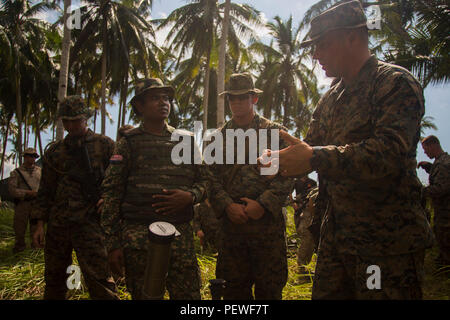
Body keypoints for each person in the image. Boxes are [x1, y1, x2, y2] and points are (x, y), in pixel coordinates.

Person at [260, 0, 433, 299]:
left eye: (323, 45)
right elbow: (309, 148)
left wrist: (313, 156)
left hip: (385, 245)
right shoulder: (330, 99)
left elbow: (389, 153)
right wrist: (279, 159)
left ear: (352, 37)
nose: (315, 55)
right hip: (336, 240)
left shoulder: (394, 83)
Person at [100, 78, 207, 300]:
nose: (163, 102)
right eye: (155, 98)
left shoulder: (185, 141)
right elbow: (112, 192)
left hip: (181, 236)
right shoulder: (129, 142)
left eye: (166, 98)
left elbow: (206, 182)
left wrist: (190, 196)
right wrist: (112, 243)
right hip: (139, 238)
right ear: (139, 106)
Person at [207, 72, 293, 300]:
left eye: (242, 97)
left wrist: (263, 204)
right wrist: (227, 206)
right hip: (232, 231)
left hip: (267, 230)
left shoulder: (275, 132)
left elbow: (288, 173)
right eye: (232, 98)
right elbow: (209, 178)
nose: (236, 103)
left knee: (270, 291)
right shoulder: (217, 138)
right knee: (234, 294)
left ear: (254, 99)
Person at [31, 96, 118, 300]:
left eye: (76, 119)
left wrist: (107, 199)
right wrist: (38, 224)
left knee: (100, 279)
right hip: (58, 224)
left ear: (86, 118)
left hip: (90, 222)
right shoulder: (55, 151)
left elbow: (118, 180)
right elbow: (45, 190)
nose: (71, 125)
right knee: (54, 278)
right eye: (66, 120)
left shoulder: (104, 145)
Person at [418, 135, 450, 266]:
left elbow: (442, 188)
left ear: (433, 145)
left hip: (446, 215)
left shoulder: (444, 164)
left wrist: (420, 190)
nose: (425, 152)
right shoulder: (440, 162)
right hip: (443, 212)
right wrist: (430, 168)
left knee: (446, 241)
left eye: (426, 149)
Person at [8, 147, 41, 253]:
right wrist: (27, 193)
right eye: (30, 156)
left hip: (36, 204)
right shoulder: (16, 173)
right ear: (25, 157)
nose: (32, 158)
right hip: (22, 204)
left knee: (36, 228)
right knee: (19, 229)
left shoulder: (40, 172)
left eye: (34, 156)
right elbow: (12, 190)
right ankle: (19, 250)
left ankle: (36, 250)